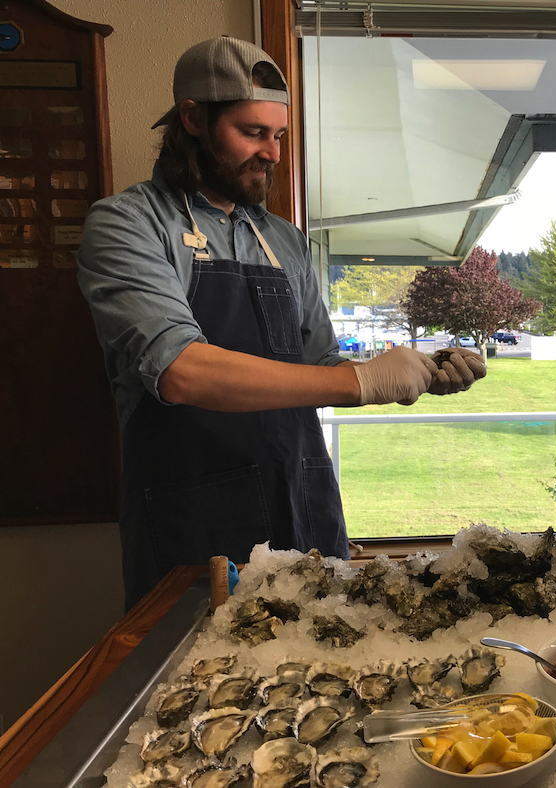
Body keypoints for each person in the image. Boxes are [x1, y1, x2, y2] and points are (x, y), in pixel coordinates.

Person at [77, 37, 485, 610]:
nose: (271, 152)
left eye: (279, 136)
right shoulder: (128, 224)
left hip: (301, 503)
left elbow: (318, 368)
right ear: (192, 118)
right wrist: (360, 382)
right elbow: (180, 370)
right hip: (193, 522)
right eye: (252, 132)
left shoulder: (285, 241)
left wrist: (416, 367)